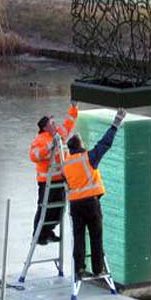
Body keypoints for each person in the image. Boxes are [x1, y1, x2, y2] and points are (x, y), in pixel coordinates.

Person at [62, 108, 126, 280]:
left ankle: (79, 270)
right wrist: (116, 123)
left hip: (75, 205)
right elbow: (105, 144)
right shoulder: (88, 158)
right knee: (96, 236)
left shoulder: (66, 164)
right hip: (91, 203)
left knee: (79, 237)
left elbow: (66, 181)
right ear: (80, 146)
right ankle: (98, 269)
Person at [29, 101, 79, 245]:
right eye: (52, 122)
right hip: (47, 181)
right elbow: (34, 156)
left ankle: (48, 231)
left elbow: (69, 124)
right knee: (44, 208)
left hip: (60, 178)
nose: (55, 124)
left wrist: (74, 108)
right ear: (45, 127)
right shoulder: (40, 139)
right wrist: (49, 147)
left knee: (59, 208)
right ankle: (38, 235)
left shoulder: (59, 134)